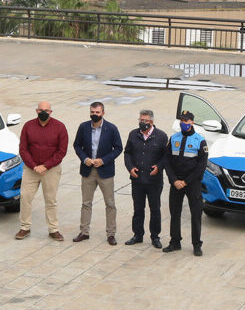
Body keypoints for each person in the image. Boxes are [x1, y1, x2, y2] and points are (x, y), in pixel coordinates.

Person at [72, 101, 123, 246]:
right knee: (86, 203)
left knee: (110, 204)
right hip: (88, 171)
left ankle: (111, 234)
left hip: (105, 172)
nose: (95, 115)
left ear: (103, 113)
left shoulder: (111, 128)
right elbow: (77, 145)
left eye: (97, 113)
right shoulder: (83, 127)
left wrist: (104, 160)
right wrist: (84, 159)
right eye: (92, 112)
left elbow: (118, 148)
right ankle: (84, 232)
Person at [17, 100, 68, 241]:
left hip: (51, 170)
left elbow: (61, 151)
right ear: (36, 111)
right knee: (25, 197)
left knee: (50, 200)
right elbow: (23, 149)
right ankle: (25, 227)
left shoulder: (60, 127)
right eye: (41, 110)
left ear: (51, 112)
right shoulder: (28, 126)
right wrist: (34, 166)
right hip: (31, 169)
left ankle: (53, 229)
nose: (43, 113)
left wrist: (45, 166)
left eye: (46, 110)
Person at [163, 111, 208, 256]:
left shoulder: (200, 141)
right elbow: (167, 161)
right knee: (174, 213)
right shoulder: (174, 138)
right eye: (182, 120)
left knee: (196, 214)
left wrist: (186, 181)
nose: (184, 123)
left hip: (192, 183)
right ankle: (175, 242)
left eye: (186, 121)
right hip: (176, 182)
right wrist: (174, 180)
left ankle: (196, 244)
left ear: (192, 122)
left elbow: (201, 167)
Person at [123, 109, 169, 248]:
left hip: (153, 181)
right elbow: (127, 153)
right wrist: (130, 167)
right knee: (138, 209)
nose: (143, 123)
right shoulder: (133, 134)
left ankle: (155, 236)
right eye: (141, 120)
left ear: (152, 122)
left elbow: (166, 157)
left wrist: (159, 167)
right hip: (137, 180)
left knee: (155, 209)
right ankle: (137, 235)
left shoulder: (161, 136)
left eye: (145, 121)